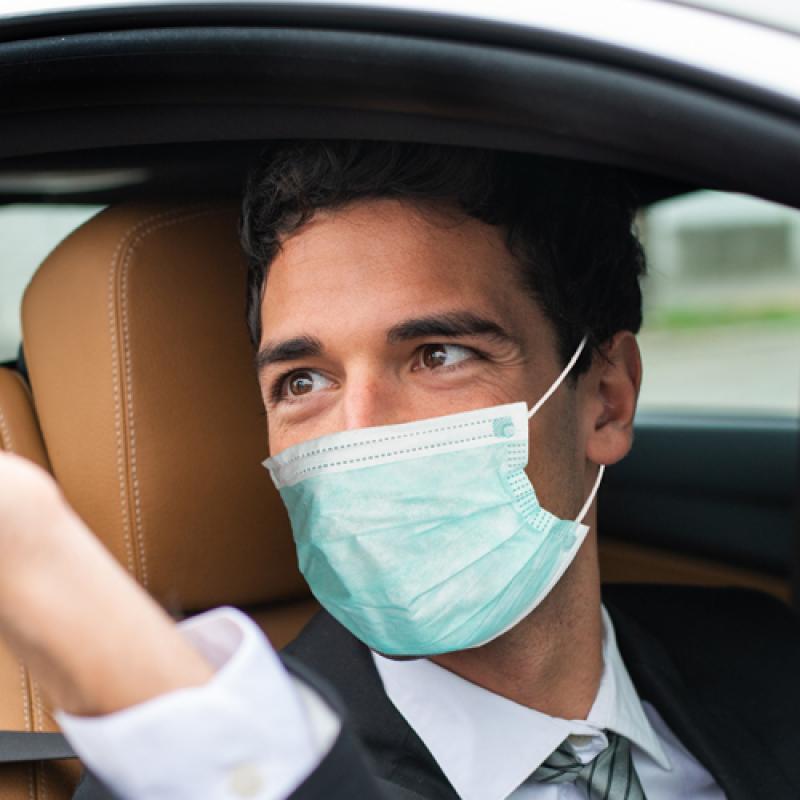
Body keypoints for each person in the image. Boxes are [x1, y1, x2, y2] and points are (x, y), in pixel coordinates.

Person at [0, 141, 798, 800]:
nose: (361, 431)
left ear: (606, 401)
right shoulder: (213, 771)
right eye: (303, 381)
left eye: (437, 356)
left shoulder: (761, 658)